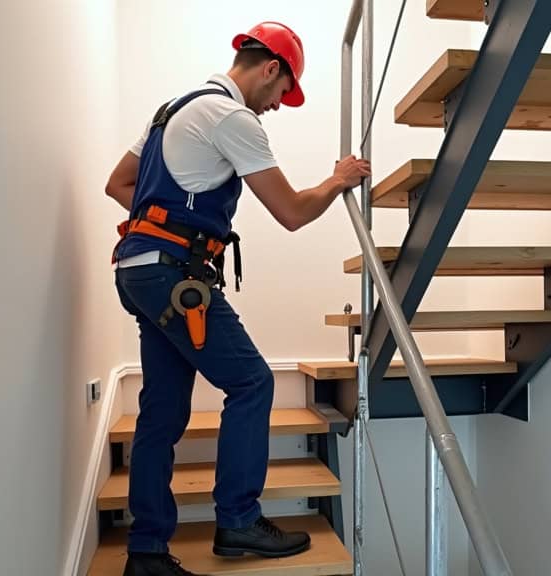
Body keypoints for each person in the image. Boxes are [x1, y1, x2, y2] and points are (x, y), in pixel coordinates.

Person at [106, 21, 371, 576]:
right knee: (253, 381)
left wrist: (161, 224)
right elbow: (293, 212)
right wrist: (337, 178)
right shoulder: (232, 117)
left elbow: (119, 185)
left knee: (162, 411)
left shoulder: (169, 111)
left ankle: (147, 553)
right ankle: (239, 521)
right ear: (271, 69)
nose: (277, 105)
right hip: (175, 277)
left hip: (139, 271)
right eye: (281, 93)